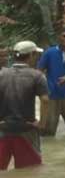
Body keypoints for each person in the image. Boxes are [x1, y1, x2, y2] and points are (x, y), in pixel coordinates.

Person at [0, 41, 47, 170]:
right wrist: (42, 123)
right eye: (36, 55)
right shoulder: (37, 76)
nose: (37, 58)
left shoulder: (2, 74)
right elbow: (45, 100)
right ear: (31, 55)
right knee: (29, 172)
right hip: (26, 130)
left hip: (3, 129)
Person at [36, 30, 65, 136]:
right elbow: (39, 71)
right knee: (47, 132)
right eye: (64, 36)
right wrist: (40, 90)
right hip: (51, 95)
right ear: (59, 37)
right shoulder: (49, 52)